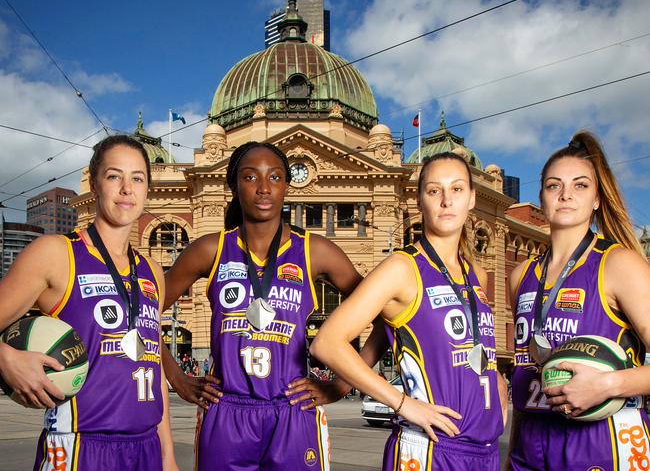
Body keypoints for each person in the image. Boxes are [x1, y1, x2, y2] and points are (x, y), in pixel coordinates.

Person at [160, 141, 386, 470]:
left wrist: (341, 384)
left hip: (292, 409)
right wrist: (176, 378)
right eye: (251, 177)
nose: (264, 188)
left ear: (286, 186)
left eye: (276, 177)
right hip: (227, 411)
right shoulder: (210, 250)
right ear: (234, 186)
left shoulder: (316, 251)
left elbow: (385, 318)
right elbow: (140, 313)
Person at [312, 151, 507, 470]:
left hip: (483, 450)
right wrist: (402, 402)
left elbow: (399, 331)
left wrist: (497, 382)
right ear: (419, 201)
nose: (446, 200)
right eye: (434, 191)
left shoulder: (476, 274)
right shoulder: (402, 268)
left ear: (471, 198)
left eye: (457, 189)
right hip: (432, 448)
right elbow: (327, 342)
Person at [0, 135, 178, 470]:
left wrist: (167, 455)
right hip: (79, 446)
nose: (127, 189)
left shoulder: (152, 271)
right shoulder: (55, 253)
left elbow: (150, 364)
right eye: (114, 176)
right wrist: (4, 357)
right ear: (94, 186)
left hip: (146, 449)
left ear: (147, 189)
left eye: (137, 178)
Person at [507, 131, 650, 470]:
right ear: (542, 197)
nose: (566, 195)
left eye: (581, 185)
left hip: (604, 441)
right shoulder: (521, 277)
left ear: (598, 199)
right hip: (531, 444)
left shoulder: (619, 264)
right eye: (554, 185)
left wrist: (608, 384)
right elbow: (527, 376)